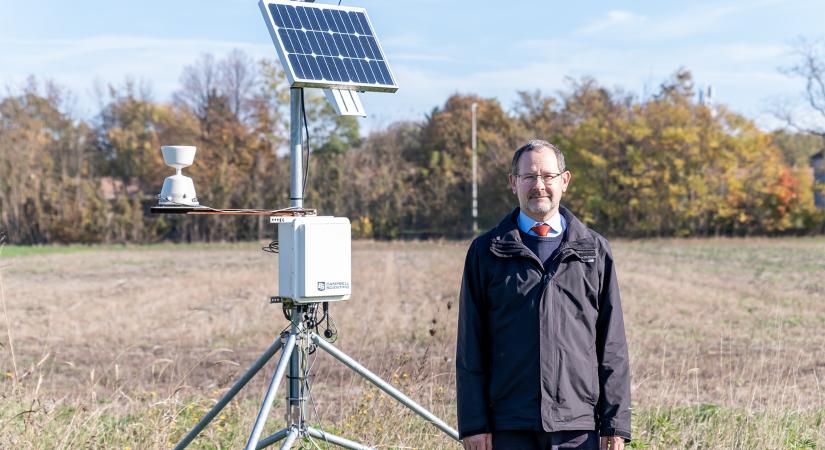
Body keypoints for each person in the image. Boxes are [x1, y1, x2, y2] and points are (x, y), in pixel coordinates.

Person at [456, 140, 631, 450]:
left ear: (564, 180)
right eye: (529, 177)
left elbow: (612, 345)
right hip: (509, 426)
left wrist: (615, 424)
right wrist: (473, 424)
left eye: (548, 176)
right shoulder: (486, 252)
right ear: (513, 183)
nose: (539, 186)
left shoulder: (594, 251)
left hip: (578, 427)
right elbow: (471, 345)